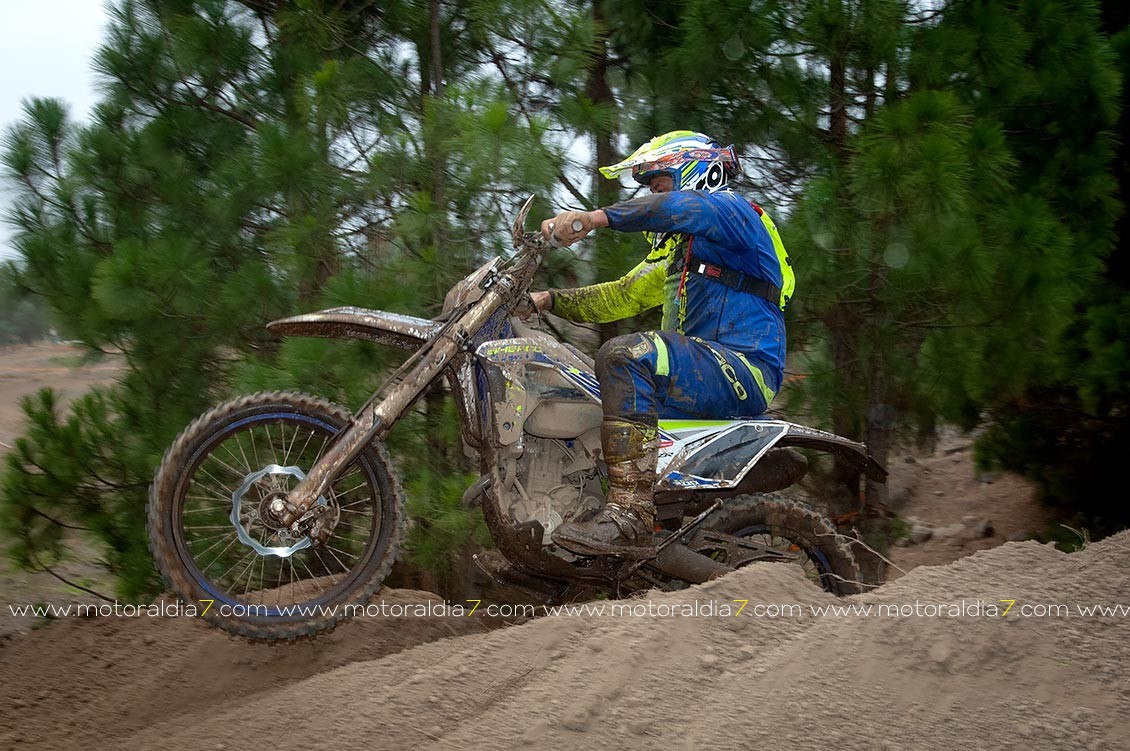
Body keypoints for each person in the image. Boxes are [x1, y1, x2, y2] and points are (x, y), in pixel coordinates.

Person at [533, 130, 795, 559]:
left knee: (625, 354)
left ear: (694, 172)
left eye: (660, 183)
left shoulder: (734, 213)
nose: (654, 195)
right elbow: (622, 295)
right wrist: (546, 300)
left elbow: (678, 208)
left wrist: (593, 218)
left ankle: (629, 515)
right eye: (652, 189)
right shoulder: (684, 252)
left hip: (743, 367)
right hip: (698, 371)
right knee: (578, 395)